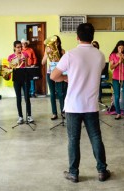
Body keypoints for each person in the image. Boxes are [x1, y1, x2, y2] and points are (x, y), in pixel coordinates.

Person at [51, 23, 110, 183]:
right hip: (91, 105)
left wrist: (65, 78)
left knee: (73, 139)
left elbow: (53, 76)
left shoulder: (70, 55)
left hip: (73, 105)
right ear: (93, 37)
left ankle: (73, 173)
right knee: (96, 137)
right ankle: (102, 170)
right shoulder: (100, 55)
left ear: (77, 37)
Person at [41, 35, 67, 120]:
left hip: (59, 73)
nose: (54, 44)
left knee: (60, 93)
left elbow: (65, 64)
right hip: (50, 73)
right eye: (53, 42)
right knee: (52, 93)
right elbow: (43, 62)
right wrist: (47, 53)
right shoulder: (47, 50)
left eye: (56, 42)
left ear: (59, 43)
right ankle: (54, 113)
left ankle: (63, 112)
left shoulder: (62, 51)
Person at [8, 40, 34, 124]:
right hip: (16, 78)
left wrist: (25, 61)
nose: (20, 49)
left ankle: (29, 116)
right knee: (18, 98)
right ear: (14, 48)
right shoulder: (11, 56)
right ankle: (20, 116)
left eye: (20, 47)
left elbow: (27, 66)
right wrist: (17, 60)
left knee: (27, 97)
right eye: (18, 47)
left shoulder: (25, 54)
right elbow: (10, 67)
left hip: (25, 78)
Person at [109, 40, 124, 120]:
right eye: (119, 47)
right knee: (117, 96)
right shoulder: (113, 55)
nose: (121, 48)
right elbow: (111, 67)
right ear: (117, 47)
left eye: (122, 47)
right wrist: (118, 62)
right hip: (116, 77)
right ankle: (118, 113)